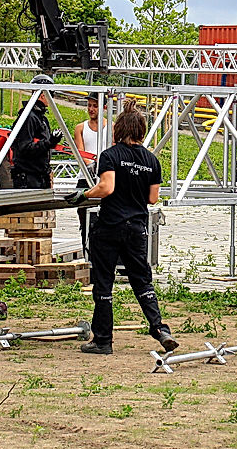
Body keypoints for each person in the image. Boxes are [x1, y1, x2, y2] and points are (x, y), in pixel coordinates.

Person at [67, 104, 178, 355]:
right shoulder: (151, 160)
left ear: (118, 129)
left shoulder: (111, 155)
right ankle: (160, 329)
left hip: (110, 226)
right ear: (141, 130)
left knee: (104, 283)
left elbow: (106, 187)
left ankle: (103, 340)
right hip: (137, 228)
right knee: (142, 280)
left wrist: (83, 195)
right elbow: (152, 198)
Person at [11, 73, 63, 189]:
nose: (52, 99)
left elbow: (40, 144)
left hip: (39, 176)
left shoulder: (40, 117)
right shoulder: (29, 117)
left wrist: (53, 141)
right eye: (51, 94)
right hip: (29, 178)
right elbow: (25, 147)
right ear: (43, 95)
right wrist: (49, 142)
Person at [73, 93, 105, 257]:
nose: (91, 109)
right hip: (85, 177)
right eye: (89, 106)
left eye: (95, 106)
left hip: (105, 178)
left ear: (104, 107)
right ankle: (87, 252)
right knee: (84, 217)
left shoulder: (111, 127)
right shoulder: (81, 128)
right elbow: (81, 152)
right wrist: (92, 167)